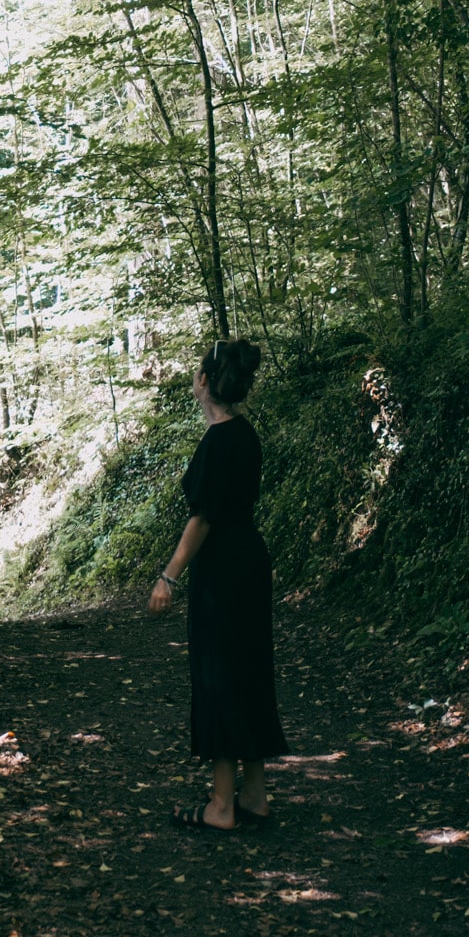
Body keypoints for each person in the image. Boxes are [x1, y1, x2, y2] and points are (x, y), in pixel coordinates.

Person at [148, 337, 288, 830]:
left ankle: (221, 806)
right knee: (248, 671)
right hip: (249, 563)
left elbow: (203, 519)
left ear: (205, 381)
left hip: (222, 571)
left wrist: (168, 576)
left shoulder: (216, 443)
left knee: (219, 678)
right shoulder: (246, 435)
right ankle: (254, 795)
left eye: (195, 373)